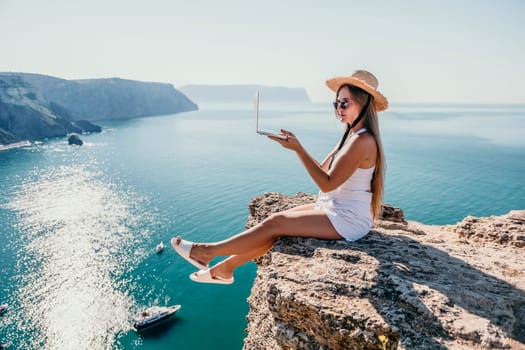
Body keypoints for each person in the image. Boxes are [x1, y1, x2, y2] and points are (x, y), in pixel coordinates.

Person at [172, 70, 388, 285]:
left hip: (348, 219)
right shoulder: (350, 135)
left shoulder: (362, 141)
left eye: (344, 103)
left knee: (277, 223)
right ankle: (225, 269)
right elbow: (324, 169)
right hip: (334, 206)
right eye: (336, 104)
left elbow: (326, 183)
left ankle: (206, 252)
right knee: (275, 225)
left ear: (363, 104)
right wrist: (295, 145)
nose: (338, 109)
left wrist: (299, 150)